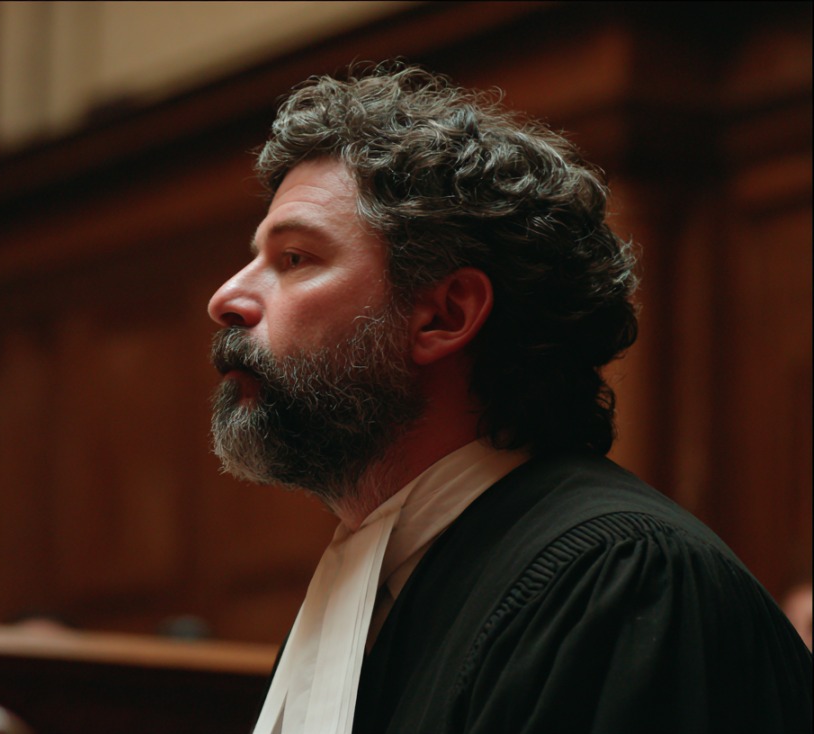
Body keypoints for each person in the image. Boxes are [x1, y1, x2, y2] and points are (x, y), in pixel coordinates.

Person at [206, 63, 812, 734]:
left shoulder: (622, 582)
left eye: (295, 259)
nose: (226, 298)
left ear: (444, 315)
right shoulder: (383, 581)